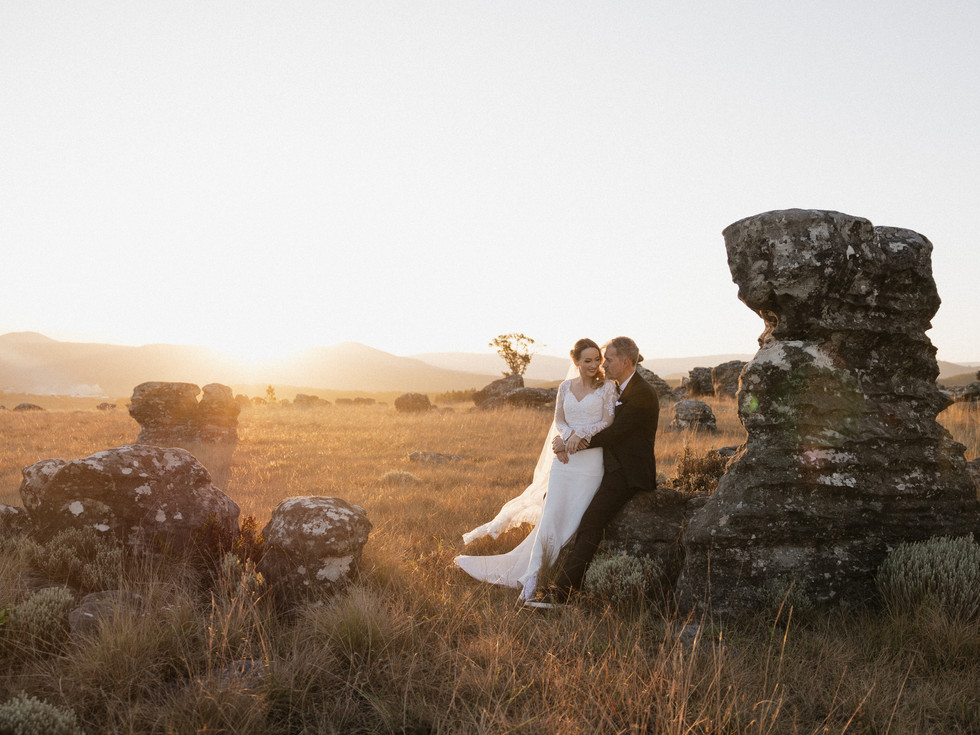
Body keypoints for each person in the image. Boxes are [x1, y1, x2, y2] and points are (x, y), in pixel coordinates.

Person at [455, 338, 618, 607]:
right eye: (586, 360)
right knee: (551, 516)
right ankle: (531, 579)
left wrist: (581, 435)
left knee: (575, 518)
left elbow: (607, 421)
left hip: (589, 463)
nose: (593, 365)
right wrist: (565, 439)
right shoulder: (565, 387)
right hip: (564, 463)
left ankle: (559, 575)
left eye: (597, 360)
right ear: (575, 360)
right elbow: (559, 420)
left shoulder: (607, 388)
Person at [549, 336, 659, 604]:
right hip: (607, 466)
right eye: (602, 358)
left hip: (627, 473)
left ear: (626, 361)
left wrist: (571, 443)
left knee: (591, 522)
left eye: (608, 359)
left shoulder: (642, 393)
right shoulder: (619, 387)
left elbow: (614, 433)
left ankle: (562, 592)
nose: (603, 363)